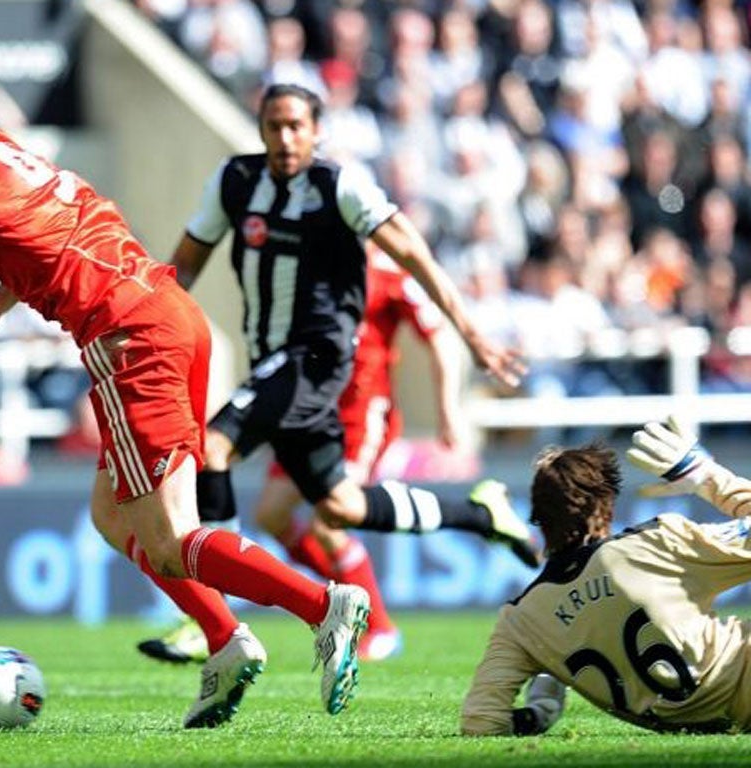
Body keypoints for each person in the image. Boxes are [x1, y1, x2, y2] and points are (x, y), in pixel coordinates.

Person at [0, 68, 374, 730]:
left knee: (171, 539)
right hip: (166, 313)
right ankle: (227, 641)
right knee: (114, 519)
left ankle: (324, 606)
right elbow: (46, 226)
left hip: (129, 338)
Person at [137, 83, 536, 664]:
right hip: (277, 363)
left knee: (213, 447)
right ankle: (480, 513)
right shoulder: (235, 183)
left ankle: (211, 618)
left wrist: (473, 335)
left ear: (317, 131)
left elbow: (415, 254)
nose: (285, 138)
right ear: (261, 130)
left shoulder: (340, 186)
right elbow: (186, 265)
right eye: (274, 126)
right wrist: (148, 324)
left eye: (297, 125)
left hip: (318, 358)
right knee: (342, 507)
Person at [140, 244, 470, 665]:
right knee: (273, 515)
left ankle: (380, 628)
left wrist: (449, 410)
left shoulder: (389, 269)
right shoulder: (309, 255)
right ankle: (338, 604)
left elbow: (438, 335)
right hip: (307, 410)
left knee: (329, 522)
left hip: (359, 417)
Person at [461, 415, 751, 736]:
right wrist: (702, 473)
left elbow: (481, 722)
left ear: (538, 521)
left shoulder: (521, 620)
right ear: (608, 508)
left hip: (696, 722)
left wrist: (538, 713)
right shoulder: (654, 543)